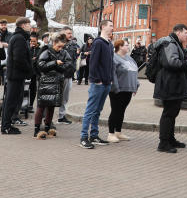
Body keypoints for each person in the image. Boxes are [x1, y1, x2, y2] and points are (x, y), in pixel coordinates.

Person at [153, 23, 187, 153]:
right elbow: (171, 62)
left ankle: (170, 139)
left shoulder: (174, 43)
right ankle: (163, 143)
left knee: (172, 113)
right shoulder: (171, 44)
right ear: (178, 32)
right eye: (185, 33)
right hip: (169, 84)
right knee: (169, 113)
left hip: (171, 83)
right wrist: (186, 64)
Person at [80, 20, 114, 149]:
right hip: (98, 83)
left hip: (106, 82)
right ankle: (84, 137)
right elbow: (93, 63)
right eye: (110, 25)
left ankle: (94, 135)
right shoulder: (98, 42)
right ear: (103, 27)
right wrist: (96, 79)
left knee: (98, 110)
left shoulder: (109, 44)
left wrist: (110, 79)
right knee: (90, 110)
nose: (112, 28)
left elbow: (111, 63)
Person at [34, 33, 73, 139]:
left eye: (62, 46)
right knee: (41, 106)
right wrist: (55, 63)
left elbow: (69, 63)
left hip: (57, 82)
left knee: (52, 105)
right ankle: (36, 130)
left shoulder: (64, 53)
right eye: (59, 46)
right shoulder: (46, 51)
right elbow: (40, 65)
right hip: (46, 82)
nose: (60, 49)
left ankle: (47, 128)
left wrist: (60, 67)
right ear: (54, 43)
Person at [1, 18, 33, 135]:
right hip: (16, 75)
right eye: (29, 24)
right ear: (23, 25)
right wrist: (29, 69)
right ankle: (6, 126)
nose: (30, 26)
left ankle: (7, 124)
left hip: (16, 74)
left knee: (11, 100)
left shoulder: (18, 37)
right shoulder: (19, 38)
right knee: (11, 101)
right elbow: (19, 58)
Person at [107, 38, 139, 142]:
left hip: (128, 89)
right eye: (126, 45)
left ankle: (118, 132)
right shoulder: (114, 58)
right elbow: (113, 74)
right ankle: (111, 134)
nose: (128, 46)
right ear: (120, 47)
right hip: (118, 89)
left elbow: (134, 71)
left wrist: (135, 85)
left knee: (122, 111)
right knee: (115, 111)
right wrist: (116, 88)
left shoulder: (129, 58)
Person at [57, 26, 79, 124]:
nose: (70, 35)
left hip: (69, 74)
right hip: (61, 73)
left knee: (65, 97)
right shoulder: (59, 44)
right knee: (56, 96)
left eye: (71, 33)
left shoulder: (73, 45)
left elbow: (74, 59)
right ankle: (48, 118)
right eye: (68, 33)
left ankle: (61, 116)